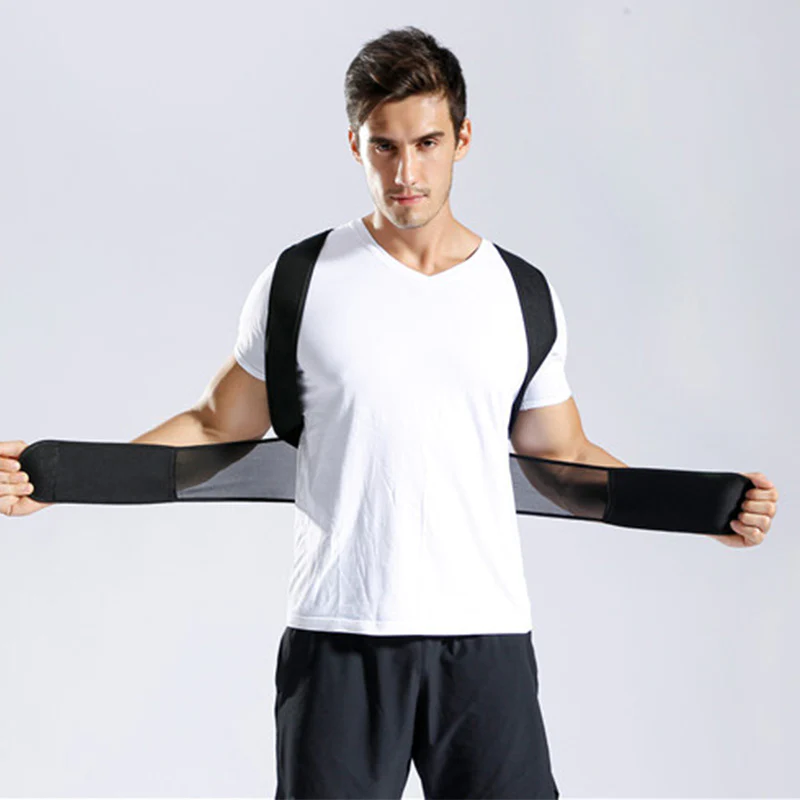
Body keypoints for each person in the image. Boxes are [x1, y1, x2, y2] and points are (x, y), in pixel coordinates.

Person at [0, 25, 778, 800]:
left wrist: (695, 510)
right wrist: (61, 480)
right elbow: (215, 425)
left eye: (427, 144)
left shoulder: (520, 293)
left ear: (462, 139)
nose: (406, 173)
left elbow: (563, 457)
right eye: (385, 147)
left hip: (485, 641)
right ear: (355, 145)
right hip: (338, 638)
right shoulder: (302, 279)